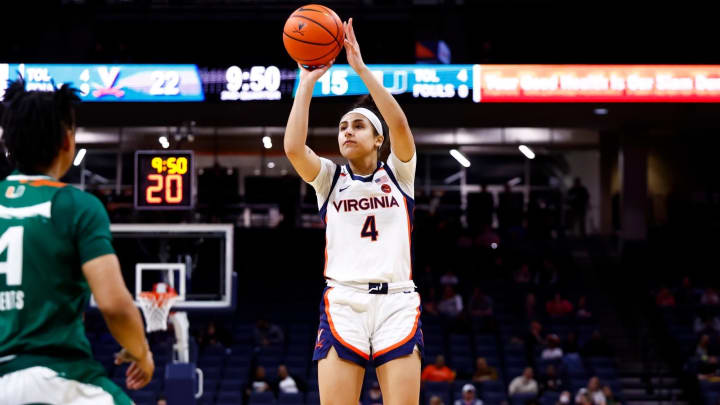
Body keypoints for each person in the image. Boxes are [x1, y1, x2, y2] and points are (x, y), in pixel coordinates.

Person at [284, 18, 423, 405]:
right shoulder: (329, 179)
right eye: (343, 126)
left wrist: (361, 70)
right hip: (344, 301)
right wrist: (307, 81)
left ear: (378, 139)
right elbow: (295, 149)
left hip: (396, 300)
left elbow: (400, 124)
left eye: (358, 125)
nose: (347, 131)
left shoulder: (399, 174)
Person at [0, 80, 154, 404]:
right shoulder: (76, 206)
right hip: (58, 377)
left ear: (7, 142)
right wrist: (141, 352)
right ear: (68, 141)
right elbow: (114, 304)